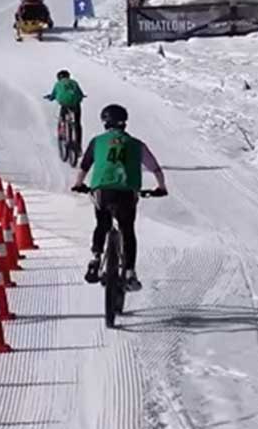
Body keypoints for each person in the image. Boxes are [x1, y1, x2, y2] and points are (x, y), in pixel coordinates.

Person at [71, 104, 167, 291]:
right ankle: (130, 273)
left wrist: (79, 184)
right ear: (125, 123)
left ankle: (96, 259)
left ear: (105, 122)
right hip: (127, 191)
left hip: (102, 190)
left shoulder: (97, 141)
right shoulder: (136, 144)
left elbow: (84, 166)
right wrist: (161, 187)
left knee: (102, 223)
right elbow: (155, 167)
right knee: (127, 230)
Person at [44, 69, 85, 146]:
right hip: (75, 104)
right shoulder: (74, 82)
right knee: (77, 123)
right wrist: (81, 97)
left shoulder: (58, 84)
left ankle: (62, 132)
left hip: (64, 103)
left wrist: (50, 98)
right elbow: (80, 93)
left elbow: (53, 96)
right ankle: (78, 144)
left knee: (62, 117)